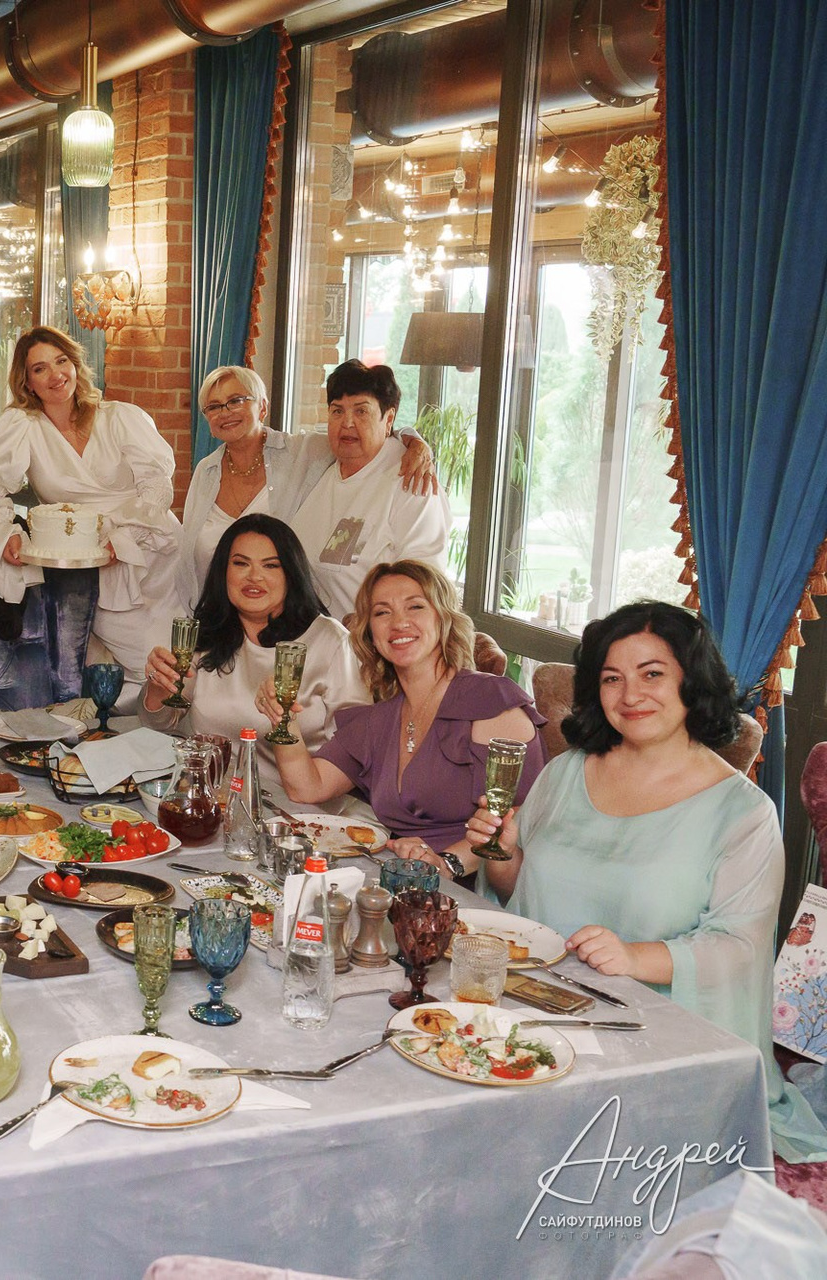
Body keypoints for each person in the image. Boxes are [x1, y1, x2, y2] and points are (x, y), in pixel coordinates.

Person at [466, 602, 827, 1162]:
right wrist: (505, 855)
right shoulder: (565, 772)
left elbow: (738, 949)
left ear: (693, 681)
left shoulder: (743, 814)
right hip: (534, 1012)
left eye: (652, 673)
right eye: (612, 678)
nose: (630, 694)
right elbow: (520, 899)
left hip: (653, 1044)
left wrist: (633, 956)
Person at [258, 560, 545, 881]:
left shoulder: (489, 701)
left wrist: (447, 863)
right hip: (402, 877)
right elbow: (307, 787)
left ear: (443, 618)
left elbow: (524, 817)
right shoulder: (379, 718)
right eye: (382, 612)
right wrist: (283, 717)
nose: (398, 622)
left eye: (415, 606)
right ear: (370, 633)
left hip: (475, 884)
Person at [0, 326, 183, 699]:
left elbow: (157, 486)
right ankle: (134, 725)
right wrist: (7, 531)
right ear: (27, 382)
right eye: (40, 368)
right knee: (148, 663)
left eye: (61, 361)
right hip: (92, 565)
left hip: (155, 552)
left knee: (185, 657)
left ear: (76, 364)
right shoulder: (22, 426)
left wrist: (126, 540)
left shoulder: (121, 417)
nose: (55, 374)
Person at [138, 514, 369, 798]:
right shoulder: (207, 634)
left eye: (270, 565)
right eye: (240, 563)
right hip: (213, 800)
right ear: (223, 572)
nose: (254, 577)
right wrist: (159, 686)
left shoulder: (330, 641)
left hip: (303, 808)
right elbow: (158, 723)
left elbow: (359, 746)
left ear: (291, 574)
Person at [176, 365, 440, 609]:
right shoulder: (205, 471)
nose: (225, 412)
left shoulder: (304, 453)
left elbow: (371, 439)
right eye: (214, 406)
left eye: (236, 400)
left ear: (262, 407)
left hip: (338, 630)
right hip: (219, 618)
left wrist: (415, 442)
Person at [287, 360, 452, 622]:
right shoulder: (318, 463)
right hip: (314, 634)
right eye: (337, 411)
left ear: (389, 419)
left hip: (375, 639)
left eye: (361, 411)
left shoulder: (412, 481)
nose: (347, 423)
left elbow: (424, 586)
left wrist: (368, 631)